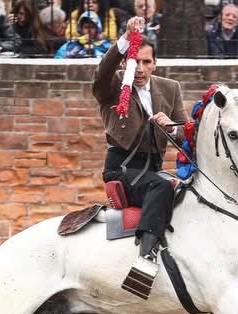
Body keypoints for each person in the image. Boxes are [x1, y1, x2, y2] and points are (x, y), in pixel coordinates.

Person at [93, 15, 187, 296]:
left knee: (186, 194)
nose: (142, 69)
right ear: (126, 62)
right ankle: (145, 259)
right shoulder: (113, 87)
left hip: (154, 168)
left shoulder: (170, 88)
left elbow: (185, 133)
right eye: (137, 62)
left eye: (148, 62)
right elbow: (102, 73)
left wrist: (171, 127)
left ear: (155, 63)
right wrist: (125, 41)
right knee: (161, 186)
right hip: (122, 168)